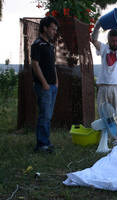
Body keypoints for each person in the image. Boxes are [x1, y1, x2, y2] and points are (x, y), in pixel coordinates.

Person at [91, 11, 117, 146]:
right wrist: (97, 25)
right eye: (112, 40)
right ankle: (106, 139)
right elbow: (93, 39)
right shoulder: (104, 49)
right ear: (108, 40)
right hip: (103, 86)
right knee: (104, 114)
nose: (115, 42)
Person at [31, 16, 59, 153]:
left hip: (53, 86)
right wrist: (44, 83)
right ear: (45, 28)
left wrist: (56, 81)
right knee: (44, 115)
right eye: (53, 29)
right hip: (44, 87)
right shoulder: (37, 44)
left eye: (55, 29)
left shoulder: (50, 45)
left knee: (48, 115)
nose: (54, 31)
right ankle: (41, 145)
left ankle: (46, 142)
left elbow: (52, 65)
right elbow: (35, 65)